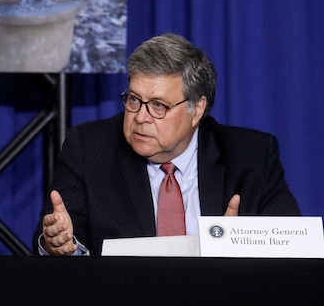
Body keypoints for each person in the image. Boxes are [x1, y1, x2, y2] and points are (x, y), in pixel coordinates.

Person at [35, 33, 300, 256]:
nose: (140, 117)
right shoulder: (88, 148)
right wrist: (60, 244)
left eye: (158, 106)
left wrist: (243, 249)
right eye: (133, 99)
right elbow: (60, 236)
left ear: (197, 109)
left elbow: (296, 250)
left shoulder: (251, 156)